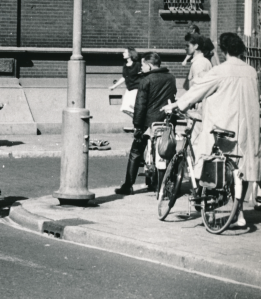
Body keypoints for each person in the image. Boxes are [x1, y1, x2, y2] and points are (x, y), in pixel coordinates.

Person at [164, 33, 260, 228]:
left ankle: (218, 204)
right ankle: (239, 211)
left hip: (225, 124)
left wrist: (176, 105)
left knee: (215, 163)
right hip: (247, 126)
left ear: (224, 51)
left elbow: (198, 89)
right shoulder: (251, 71)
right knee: (242, 167)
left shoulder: (220, 71)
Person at [116, 52, 176, 195]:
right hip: (166, 121)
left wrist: (137, 125)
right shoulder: (171, 77)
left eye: (142, 65)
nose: (140, 67)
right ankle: (162, 183)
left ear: (149, 65)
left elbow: (140, 105)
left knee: (136, 151)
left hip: (148, 123)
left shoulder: (146, 80)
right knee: (166, 151)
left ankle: (128, 185)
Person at [109, 48, 142, 118]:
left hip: (136, 89)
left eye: (125, 52)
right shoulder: (125, 65)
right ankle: (138, 121)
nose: (123, 54)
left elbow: (143, 75)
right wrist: (114, 86)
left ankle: (138, 124)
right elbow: (124, 77)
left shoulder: (137, 64)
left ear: (130, 54)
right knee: (124, 108)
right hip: (129, 89)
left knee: (132, 108)